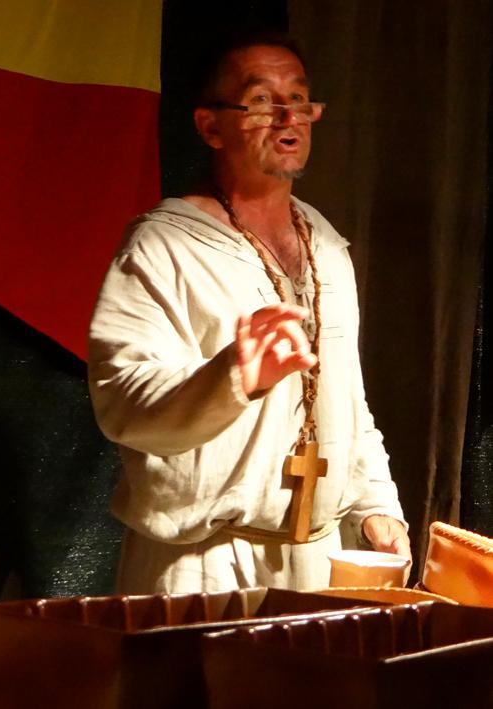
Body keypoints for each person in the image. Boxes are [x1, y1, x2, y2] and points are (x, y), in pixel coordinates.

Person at [88, 30, 411, 594]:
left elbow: (348, 400)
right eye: (261, 100)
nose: (288, 116)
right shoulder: (164, 247)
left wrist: (376, 504)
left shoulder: (326, 245)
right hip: (203, 566)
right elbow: (124, 404)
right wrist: (232, 376)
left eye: (299, 99)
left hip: (316, 561)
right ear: (211, 126)